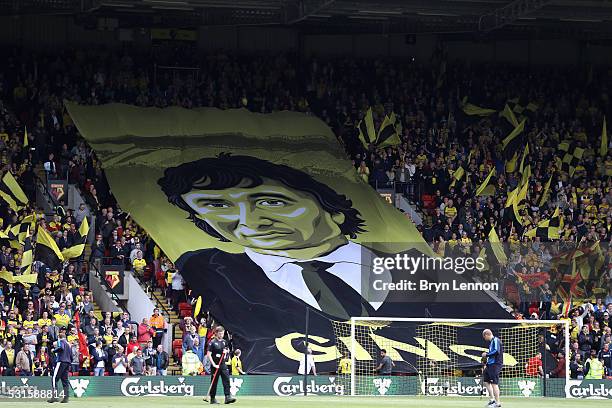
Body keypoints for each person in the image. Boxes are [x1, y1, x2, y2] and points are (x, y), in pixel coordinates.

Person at [206, 326, 235, 405]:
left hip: (222, 364)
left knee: (226, 380)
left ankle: (227, 397)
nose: (221, 335)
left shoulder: (224, 342)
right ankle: (212, 398)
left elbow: (226, 353)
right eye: (220, 333)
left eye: (222, 333)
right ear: (216, 333)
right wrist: (214, 364)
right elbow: (209, 354)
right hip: (215, 365)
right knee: (214, 382)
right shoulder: (212, 342)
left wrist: (226, 352)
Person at [47, 331, 72, 404]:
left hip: (61, 361)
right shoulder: (68, 344)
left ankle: (55, 397)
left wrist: (54, 350)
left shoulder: (61, 341)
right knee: (65, 380)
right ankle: (66, 398)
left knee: (54, 378)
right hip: (67, 362)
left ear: (59, 338)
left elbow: (61, 348)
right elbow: (71, 355)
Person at [482, 329, 503, 408]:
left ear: (486, 335)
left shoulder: (496, 340)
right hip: (490, 364)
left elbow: (496, 351)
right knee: (486, 381)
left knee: (494, 383)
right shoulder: (491, 342)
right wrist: (485, 362)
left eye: (484, 337)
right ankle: (492, 400)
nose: (484, 339)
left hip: (495, 364)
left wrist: (486, 354)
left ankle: (497, 403)